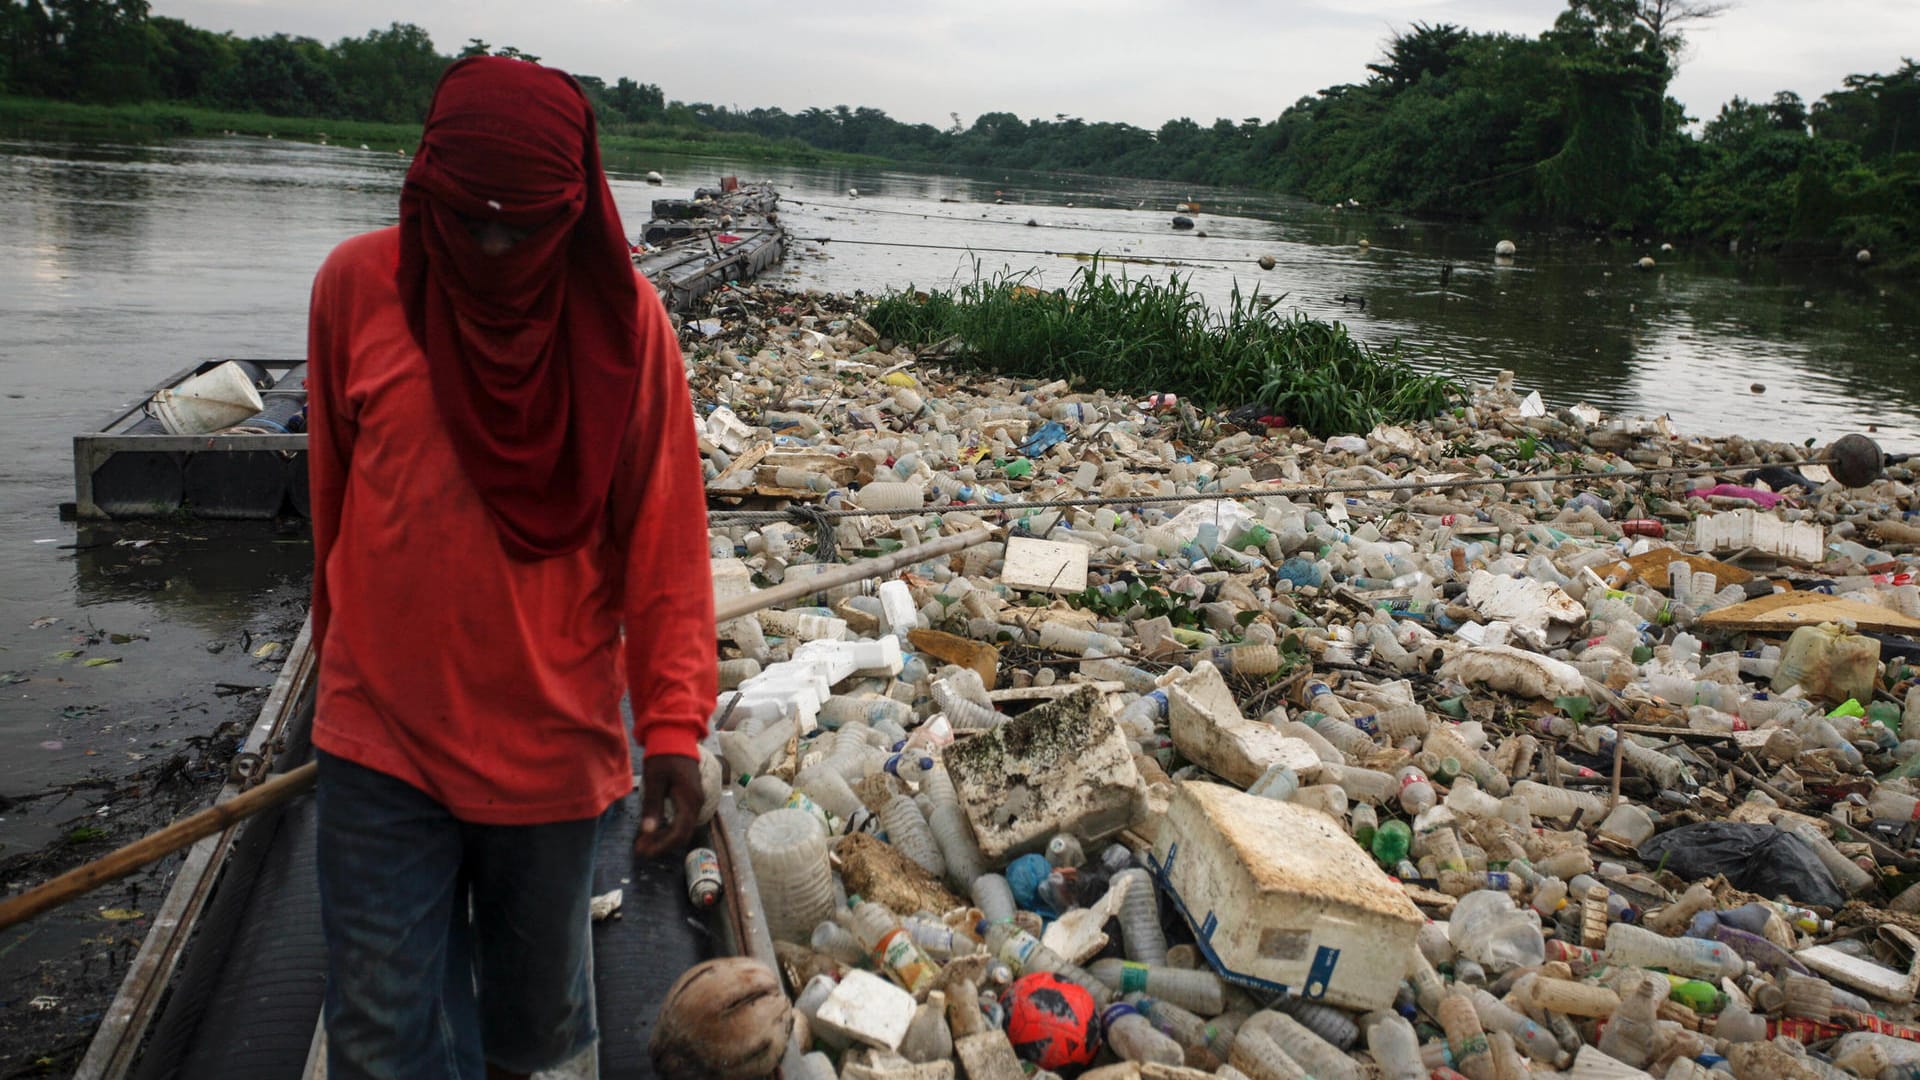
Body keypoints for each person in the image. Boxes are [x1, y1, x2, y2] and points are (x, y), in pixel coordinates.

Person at [304, 56, 715, 1079]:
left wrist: (670, 725)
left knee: (532, 1037)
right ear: (424, 192)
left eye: (519, 230)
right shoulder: (357, 289)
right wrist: (337, 666)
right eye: (465, 223)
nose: (489, 248)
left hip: (548, 746)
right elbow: (332, 504)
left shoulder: (627, 333)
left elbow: (665, 542)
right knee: (379, 1034)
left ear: (572, 208)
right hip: (381, 737)